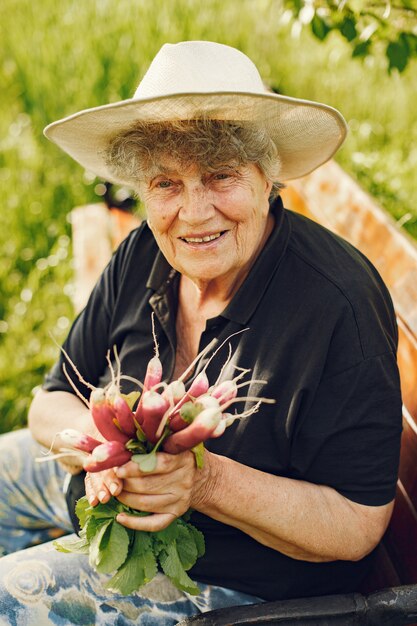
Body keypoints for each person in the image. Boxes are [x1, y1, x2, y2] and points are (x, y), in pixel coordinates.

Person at [0, 41, 402, 624]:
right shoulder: (143, 252)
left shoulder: (339, 304)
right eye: (165, 183)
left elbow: (357, 527)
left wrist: (202, 482)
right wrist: (106, 449)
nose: (193, 213)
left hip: (235, 585)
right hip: (109, 512)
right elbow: (49, 403)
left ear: (268, 178)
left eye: (220, 176)